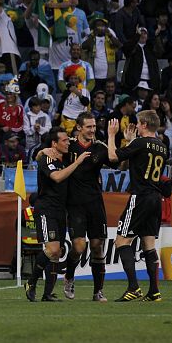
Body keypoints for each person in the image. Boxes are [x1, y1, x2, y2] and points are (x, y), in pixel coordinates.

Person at [106, 111, 170, 302]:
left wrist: (111, 135)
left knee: (121, 241)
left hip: (140, 197)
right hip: (155, 199)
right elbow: (136, 163)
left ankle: (133, 287)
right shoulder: (163, 147)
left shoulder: (139, 144)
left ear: (143, 124)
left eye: (137, 123)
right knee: (149, 245)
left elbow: (112, 157)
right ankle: (154, 291)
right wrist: (130, 141)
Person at [24, 127, 90, 302]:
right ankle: (31, 282)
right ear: (54, 143)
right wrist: (76, 163)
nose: (68, 143)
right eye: (64, 140)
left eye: (68, 140)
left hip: (61, 210)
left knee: (57, 252)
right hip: (46, 209)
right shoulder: (47, 158)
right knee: (52, 249)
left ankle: (47, 293)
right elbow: (58, 177)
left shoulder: (65, 157)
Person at [60, 113, 114, 302]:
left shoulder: (100, 147)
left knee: (98, 246)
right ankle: (69, 276)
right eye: (88, 127)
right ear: (79, 128)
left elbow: (119, 163)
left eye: (94, 126)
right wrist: (42, 153)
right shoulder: (69, 145)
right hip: (74, 204)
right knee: (79, 246)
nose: (92, 130)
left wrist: (118, 139)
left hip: (95, 203)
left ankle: (98, 291)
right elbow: (50, 151)